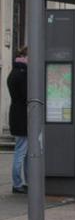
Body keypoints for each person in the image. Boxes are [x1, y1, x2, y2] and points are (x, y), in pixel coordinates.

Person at [7, 47, 27, 194]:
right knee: (21, 152)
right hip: (23, 116)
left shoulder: (14, 72)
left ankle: (22, 182)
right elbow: (27, 95)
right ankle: (17, 183)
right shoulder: (22, 73)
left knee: (23, 151)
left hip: (16, 114)